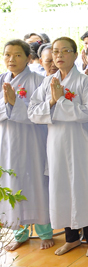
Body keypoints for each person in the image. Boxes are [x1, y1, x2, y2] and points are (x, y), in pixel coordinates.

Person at [28, 37, 88, 257]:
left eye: (64, 51)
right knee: (60, 188)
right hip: (56, 143)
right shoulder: (48, 82)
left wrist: (61, 101)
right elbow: (32, 112)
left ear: (76, 55)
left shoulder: (84, 81)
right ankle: (71, 238)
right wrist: (51, 101)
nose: (58, 56)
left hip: (78, 143)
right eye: (55, 51)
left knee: (82, 188)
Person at [0, 40, 53, 252]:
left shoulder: (39, 81)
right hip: (7, 139)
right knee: (13, 180)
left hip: (32, 139)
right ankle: (19, 232)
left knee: (36, 181)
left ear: (28, 58)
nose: (11, 59)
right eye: (7, 55)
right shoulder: (1, 80)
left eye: (17, 55)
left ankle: (45, 232)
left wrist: (15, 104)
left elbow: (42, 112)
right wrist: (8, 105)